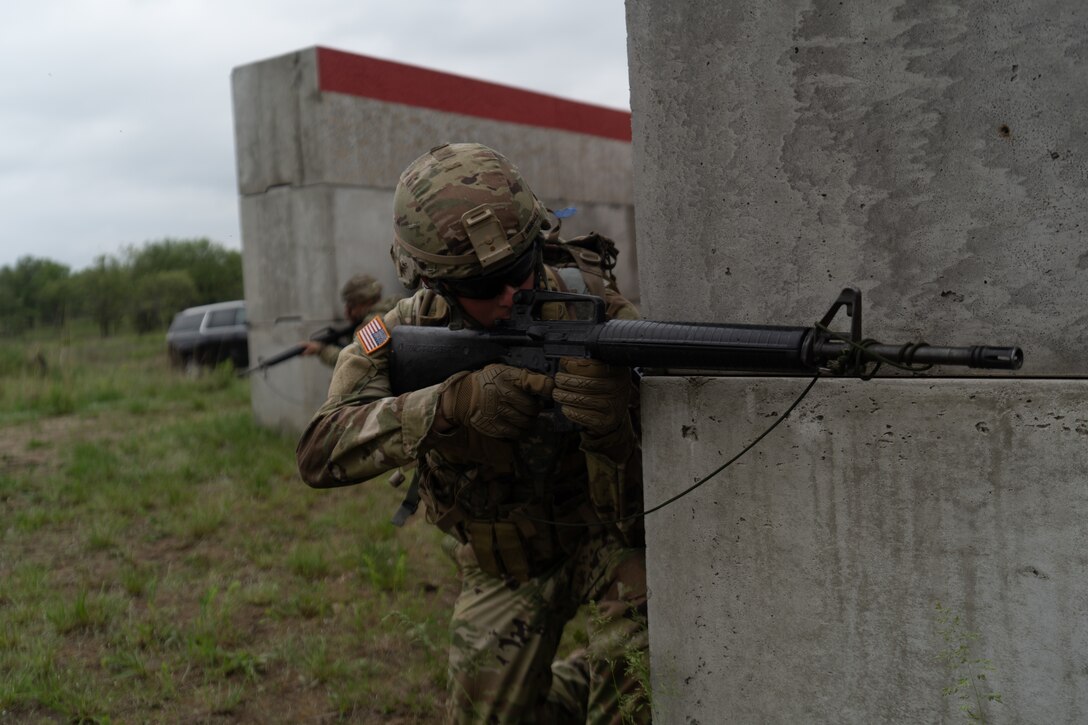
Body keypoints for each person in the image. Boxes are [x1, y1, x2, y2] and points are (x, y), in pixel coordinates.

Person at [296, 142, 650, 723]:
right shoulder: (395, 335)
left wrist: (615, 418)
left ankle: (604, 683)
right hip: (505, 560)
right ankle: (579, 686)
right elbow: (318, 451)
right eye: (484, 288)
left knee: (640, 668)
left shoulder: (600, 315)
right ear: (430, 280)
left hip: (603, 539)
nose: (512, 295)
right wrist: (448, 404)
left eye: (518, 270)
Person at [300, 273, 395, 367]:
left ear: (367, 301)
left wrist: (321, 350)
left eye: (352, 305)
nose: (348, 313)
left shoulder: (376, 324)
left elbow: (355, 362)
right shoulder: (391, 313)